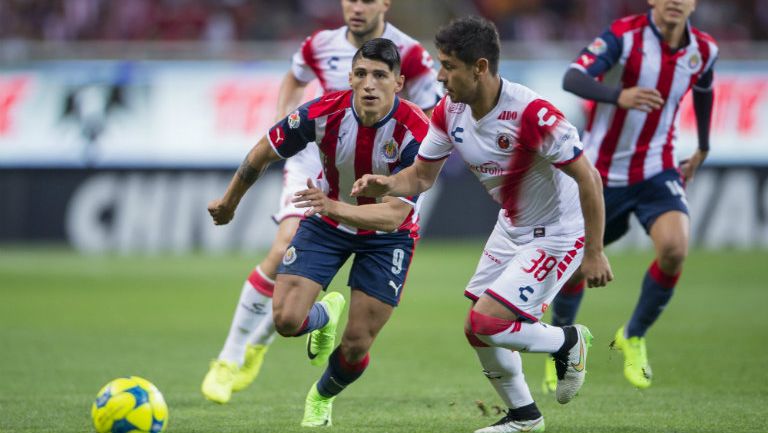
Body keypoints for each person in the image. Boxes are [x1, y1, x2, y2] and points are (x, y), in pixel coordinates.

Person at [352, 16, 613, 433]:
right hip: (511, 227)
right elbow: (420, 176)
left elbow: (589, 177)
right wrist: (387, 182)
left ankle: (568, 341)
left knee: (488, 323)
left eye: (449, 66)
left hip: (557, 233)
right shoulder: (448, 110)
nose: (440, 75)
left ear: (480, 68)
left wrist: (594, 251)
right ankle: (524, 417)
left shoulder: (533, 114)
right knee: (479, 330)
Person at [201, 0, 440, 404]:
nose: (357, 7)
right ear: (349, 76)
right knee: (282, 254)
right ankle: (235, 355)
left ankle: (317, 387)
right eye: (360, 74)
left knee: (356, 343)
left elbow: (434, 111)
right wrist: (233, 197)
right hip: (323, 156)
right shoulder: (320, 48)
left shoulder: (412, 58)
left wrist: (410, 149)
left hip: (388, 173)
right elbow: (289, 89)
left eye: (379, 76)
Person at [544, 0, 718, 392]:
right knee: (575, 266)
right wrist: (617, 96)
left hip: (658, 170)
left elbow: (705, 88)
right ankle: (562, 345)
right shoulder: (625, 36)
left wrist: (703, 146)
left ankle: (633, 335)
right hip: (601, 175)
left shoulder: (704, 49)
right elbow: (573, 78)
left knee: (674, 249)